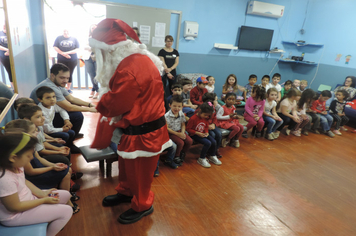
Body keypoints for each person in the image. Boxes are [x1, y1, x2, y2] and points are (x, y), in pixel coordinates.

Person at [89, 19, 171, 224]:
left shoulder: (128, 69)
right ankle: (126, 192)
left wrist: (100, 103)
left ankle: (143, 204)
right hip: (135, 127)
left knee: (141, 172)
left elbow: (117, 103)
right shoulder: (136, 59)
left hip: (145, 131)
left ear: (109, 50)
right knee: (126, 165)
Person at [0, 132, 72, 236]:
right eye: (28, 155)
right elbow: (15, 207)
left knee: (65, 195)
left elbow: (24, 181)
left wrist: (41, 193)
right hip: (16, 215)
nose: (32, 158)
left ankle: (50, 217)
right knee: (67, 211)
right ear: (13, 157)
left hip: (30, 200)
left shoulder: (16, 166)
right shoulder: (5, 179)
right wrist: (43, 200)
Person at [4, 120, 79, 214]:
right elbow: (31, 172)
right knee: (66, 173)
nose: (37, 132)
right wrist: (51, 168)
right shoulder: (18, 161)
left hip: (32, 190)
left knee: (66, 170)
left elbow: (39, 159)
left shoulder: (28, 148)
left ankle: (67, 198)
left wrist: (53, 165)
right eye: (33, 131)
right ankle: (67, 205)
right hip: (35, 178)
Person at [30, 63, 97, 138]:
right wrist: (90, 110)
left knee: (76, 109)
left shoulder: (58, 83)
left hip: (51, 112)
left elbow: (72, 99)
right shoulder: (50, 86)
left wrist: (90, 105)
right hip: (42, 120)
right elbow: (69, 107)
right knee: (77, 115)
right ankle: (68, 136)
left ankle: (72, 134)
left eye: (67, 78)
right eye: (62, 78)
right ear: (52, 75)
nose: (65, 81)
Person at [35, 86, 77, 152]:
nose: (52, 99)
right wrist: (62, 129)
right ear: (40, 100)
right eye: (48, 97)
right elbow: (47, 130)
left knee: (72, 133)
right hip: (45, 133)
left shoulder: (53, 105)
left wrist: (66, 120)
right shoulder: (41, 111)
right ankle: (60, 147)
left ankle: (69, 147)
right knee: (65, 135)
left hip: (51, 128)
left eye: (54, 97)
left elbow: (62, 110)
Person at [186, 103, 221, 168]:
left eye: (207, 116)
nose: (206, 117)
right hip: (194, 134)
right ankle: (201, 158)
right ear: (200, 111)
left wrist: (207, 132)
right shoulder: (193, 118)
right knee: (207, 143)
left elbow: (206, 126)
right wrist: (197, 133)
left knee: (213, 141)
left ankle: (212, 155)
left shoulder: (206, 118)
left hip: (202, 133)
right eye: (205, 115)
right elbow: (188, 129)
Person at [165, 95, 193, 165]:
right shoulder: (167, 116)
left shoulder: (181, 113)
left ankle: (182, 153)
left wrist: (183, 133)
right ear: (170, 105)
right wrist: (178, 134)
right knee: (180, 143)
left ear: (182, 107)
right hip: (171, 133)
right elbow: (166, 128)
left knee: (189, 141)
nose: (177, 108)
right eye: (174, 106)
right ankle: (176, 156)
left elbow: (183, 124)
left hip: (179, 131)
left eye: (179, 106)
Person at [53, 29, 80, 93]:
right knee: (61, 73)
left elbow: (77, 49)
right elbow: (55, 47)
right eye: (64, 31)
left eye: (67, 31)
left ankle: (68, 89)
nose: (66, 32)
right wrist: (63, 54)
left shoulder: (74, 39)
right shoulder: (58, 38)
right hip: (61, 59)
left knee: (70, 73)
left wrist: (67, 53)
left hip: (72, 59)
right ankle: (61, 88)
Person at [202, 93, 223, 158]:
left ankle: (215, 149)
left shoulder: (213, 107)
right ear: (210, 101)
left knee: (219, 133)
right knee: (212, 135)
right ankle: (209, 150)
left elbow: (214, 117)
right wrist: (207, 126)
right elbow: (200, 120)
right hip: (205, 127)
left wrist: (213, 124)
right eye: (216, 100)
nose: (217, 102)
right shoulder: (202, 108)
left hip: (212, 125)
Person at [83, 24, 99, 99]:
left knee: (97, 75)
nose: (94, 29)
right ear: (90, 29)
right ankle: (97, 89)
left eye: (95, 28)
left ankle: (94, 89)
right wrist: (93, 47)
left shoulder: (101, 37)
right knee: (91, 75)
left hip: (97, 58)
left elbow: (101, 47)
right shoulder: (87, 37)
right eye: (92, 28)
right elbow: (84, 47)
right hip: (88, 58)